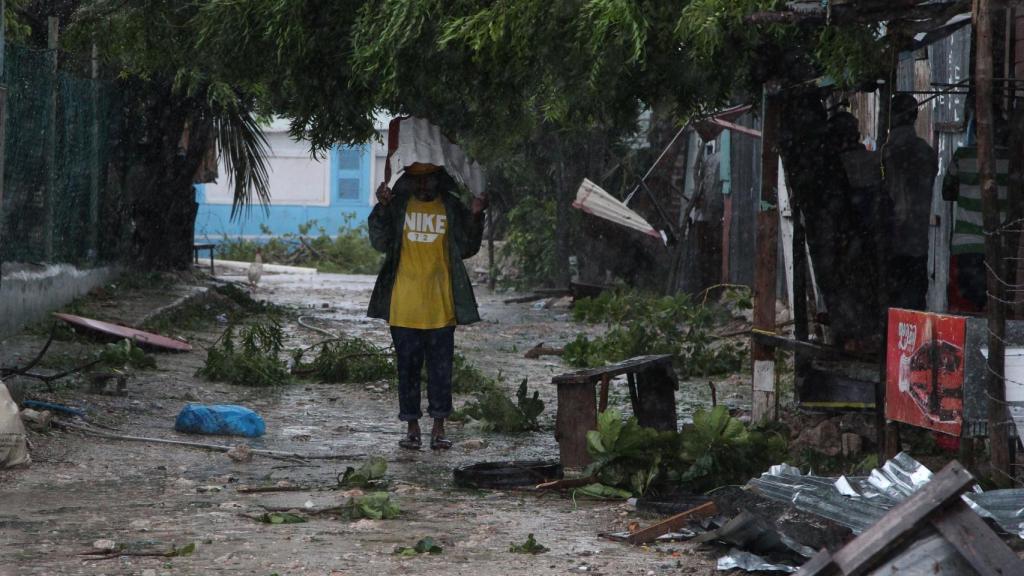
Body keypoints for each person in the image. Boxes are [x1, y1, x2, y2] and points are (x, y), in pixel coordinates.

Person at [367, 163, 487, 450]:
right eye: (416, 181)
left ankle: (438, 428)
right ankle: (412, 428)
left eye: (428, 180)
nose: (422, 186)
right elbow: (380, 241)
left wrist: (476, 213)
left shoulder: (452, 207)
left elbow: (468, 247)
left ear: (439, 181)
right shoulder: (397, 207)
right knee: (407, 369)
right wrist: (381, 208)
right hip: (403, 306)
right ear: (408, 182)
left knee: (441, 370)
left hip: (441, 306)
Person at [882, 94, 938, 310]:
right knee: (913, 304)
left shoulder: (887, 152)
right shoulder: (926, 152)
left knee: (893, 305)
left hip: (892, 242)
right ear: (914, 116)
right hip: (917, 241)